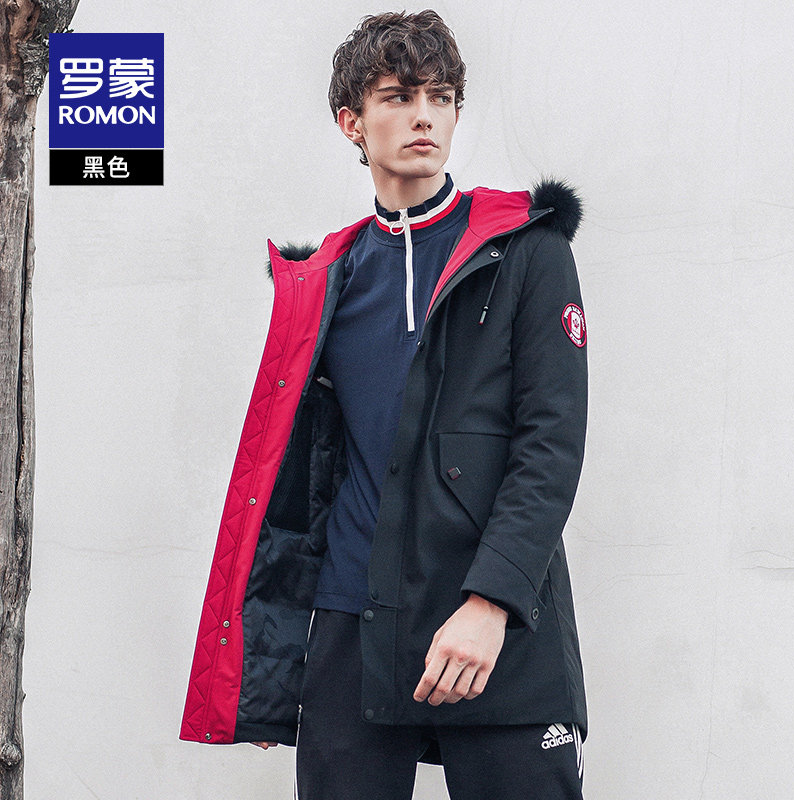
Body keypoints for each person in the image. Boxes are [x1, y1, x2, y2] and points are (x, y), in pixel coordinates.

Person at [180, 10, 589, 800]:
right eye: (399, 96)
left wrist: (491, 602)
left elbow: (551, 442)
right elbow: (291, 481)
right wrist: (271, 652)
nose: (424, 115)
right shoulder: (323, 280)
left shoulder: (525, 248)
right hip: (353, 620)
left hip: (494, 613)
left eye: (441, 97)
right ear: (352, 123)